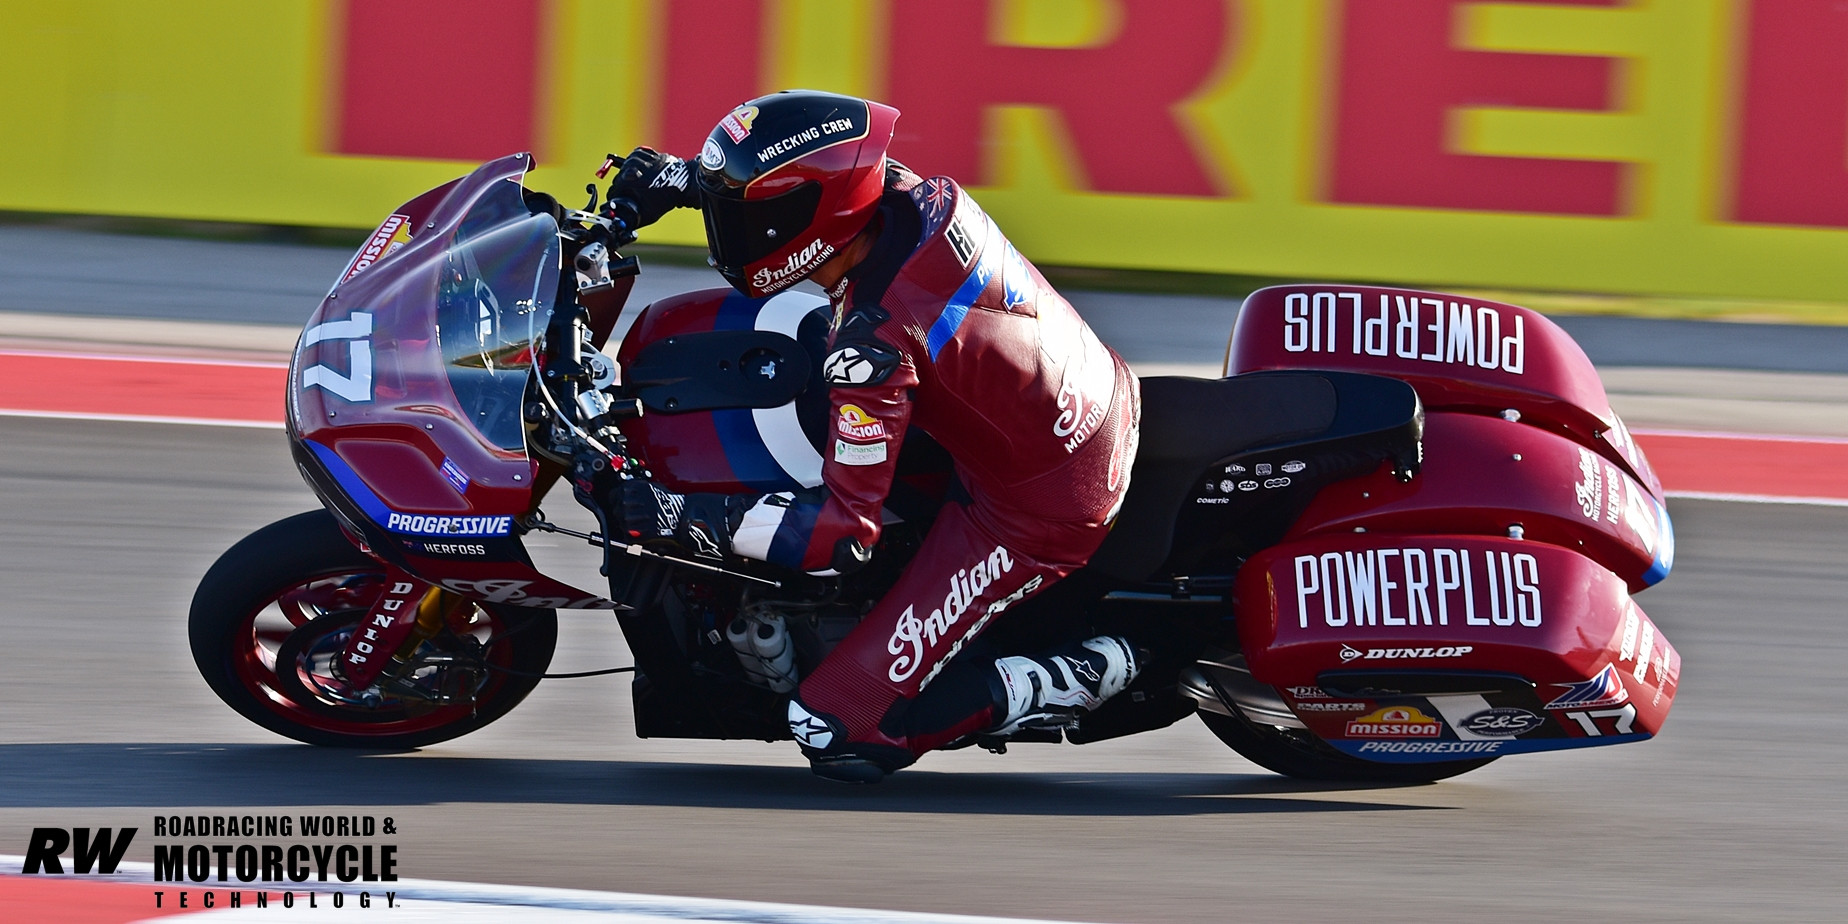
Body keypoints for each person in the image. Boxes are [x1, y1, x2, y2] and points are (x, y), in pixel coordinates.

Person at [604, 90, 1142, 782]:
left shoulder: (873, 346)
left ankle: (1064, 676)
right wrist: (685, 180)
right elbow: (825, 176)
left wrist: (688, 516)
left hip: (1038, 505)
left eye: (749, 218)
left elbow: (842, 535)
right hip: (1051, 402)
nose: (734, 234)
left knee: (834, 732)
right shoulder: (905, 194)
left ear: (814, 217)